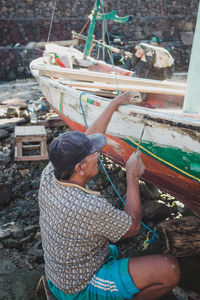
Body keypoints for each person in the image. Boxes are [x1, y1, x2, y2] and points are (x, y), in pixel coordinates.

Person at [38, 91, 180, 300]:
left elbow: (87, 138)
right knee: (169, 269)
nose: (99, 153)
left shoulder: (51, 173)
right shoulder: (87, 205)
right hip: (78, 287)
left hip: (60, 274)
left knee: (112, 248)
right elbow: (132, 227)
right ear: (80, 167)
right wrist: (132, 176)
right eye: (93, 153)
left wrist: (114, 104)